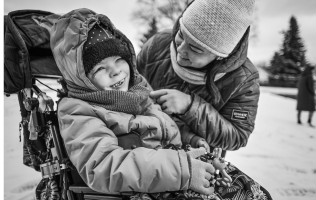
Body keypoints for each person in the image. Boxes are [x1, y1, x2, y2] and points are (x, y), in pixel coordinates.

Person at [46, 8, 218, 195]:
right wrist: (181, 169)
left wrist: (190, 141)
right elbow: (104, 166)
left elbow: (164, 124)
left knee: (240, 186)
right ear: (82, 79)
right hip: (146, 187)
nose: (115, 71)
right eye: (99, 68)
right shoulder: (79, 111)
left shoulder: (138, 91)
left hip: (178, 169)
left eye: (119, 59)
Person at [137, 0, 260, 152]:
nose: (180, 50)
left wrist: (190, 106)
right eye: (181, 35)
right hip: (140, 147)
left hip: (195, 162)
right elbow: (130, 86)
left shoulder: (244, 80)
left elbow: (237, 136)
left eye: (195, 49)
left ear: (220, 56)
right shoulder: (157, 44)